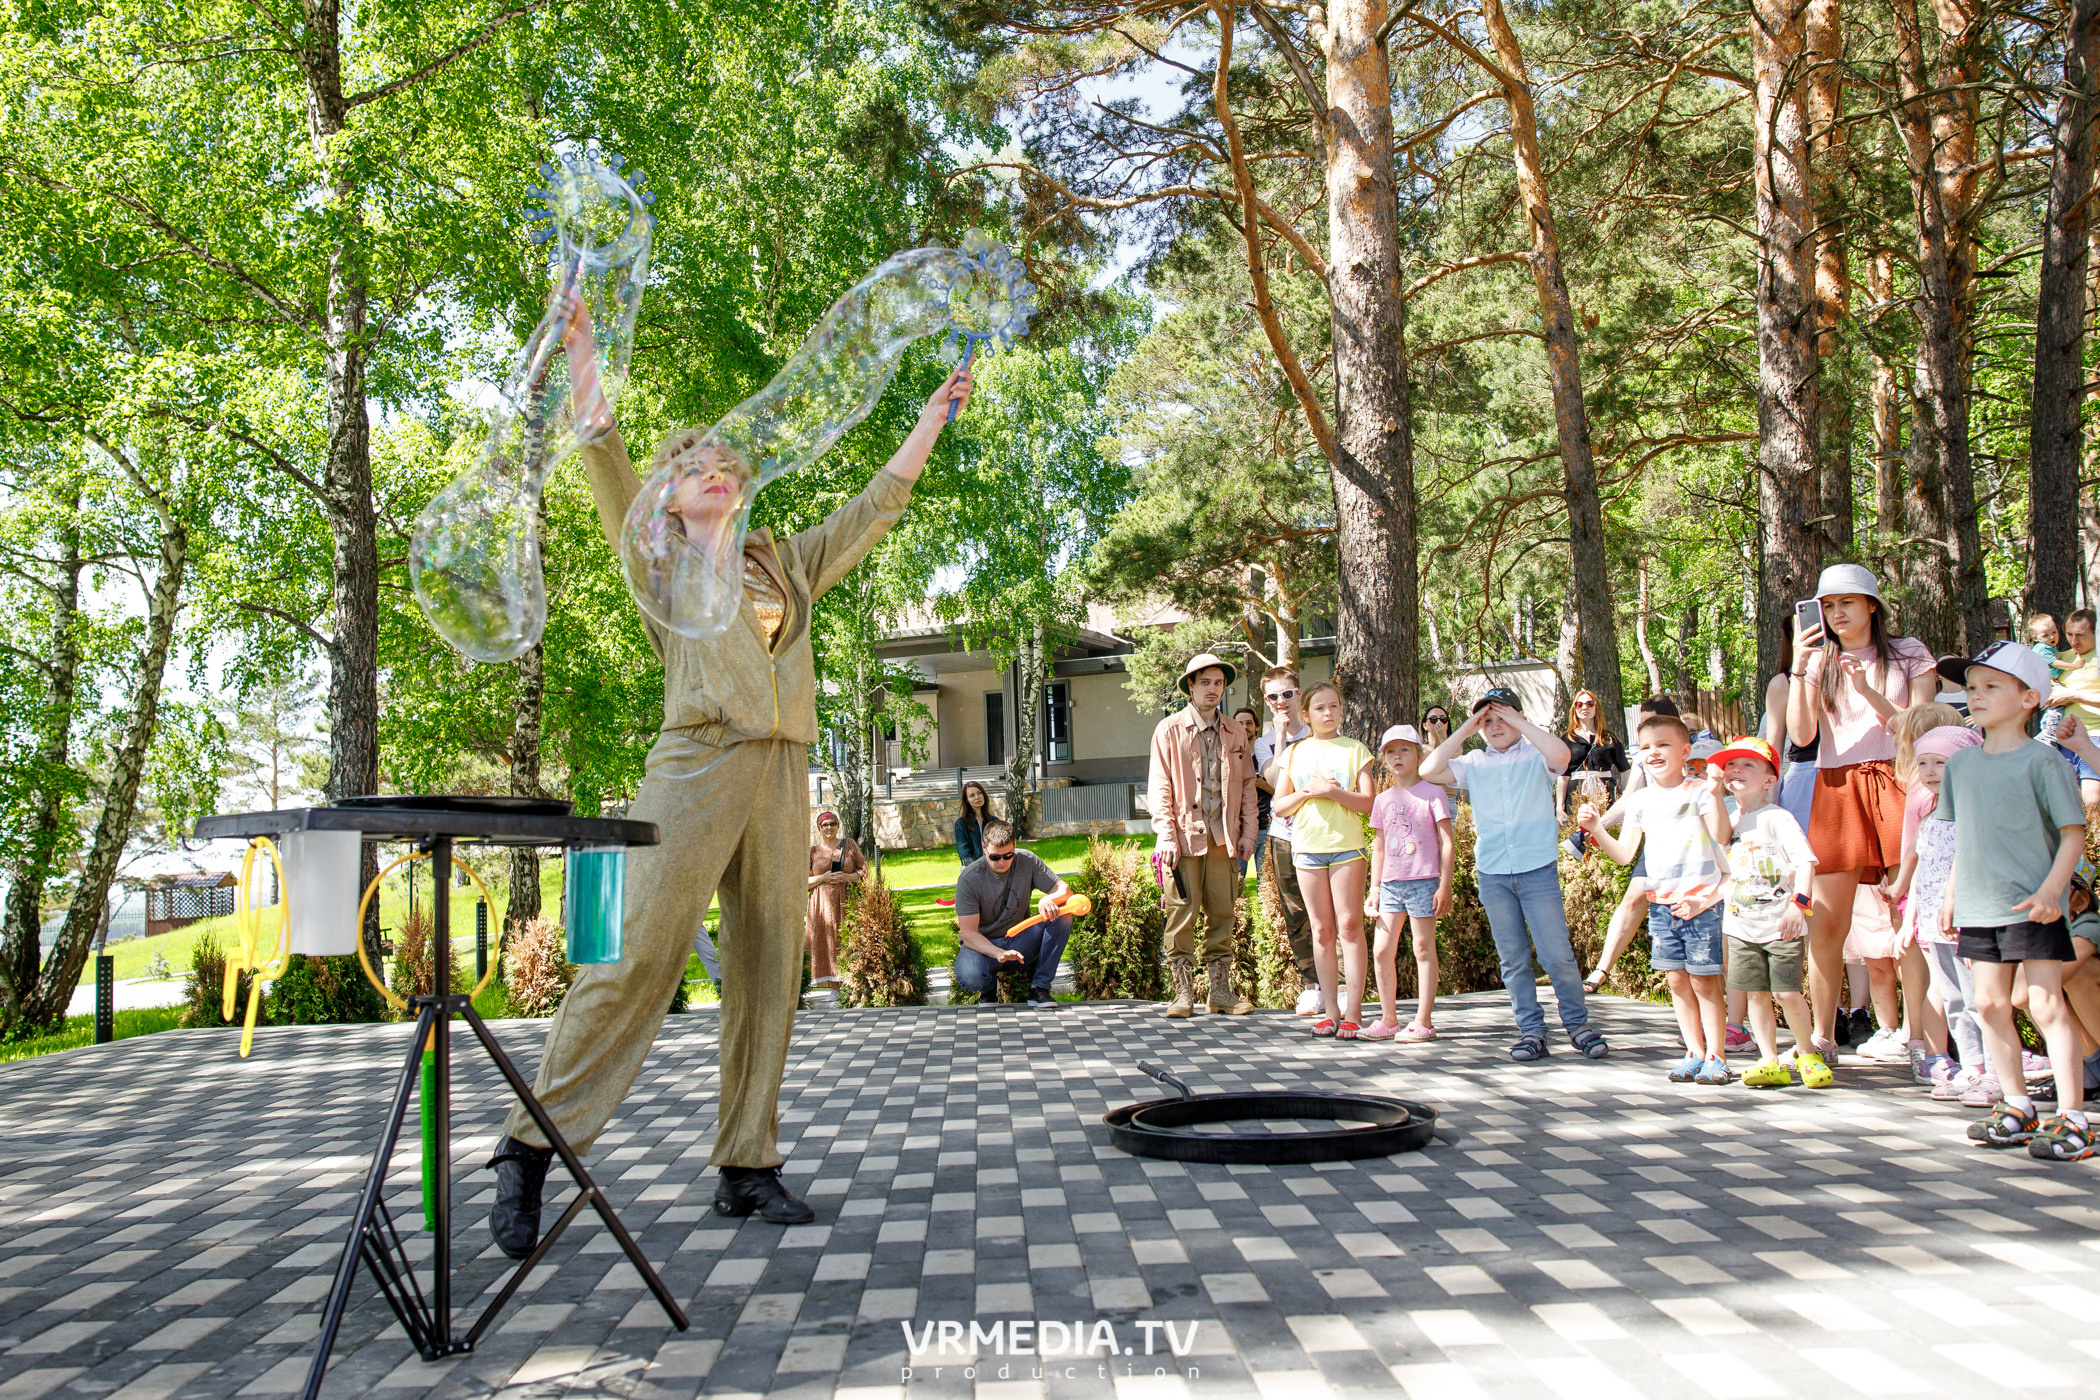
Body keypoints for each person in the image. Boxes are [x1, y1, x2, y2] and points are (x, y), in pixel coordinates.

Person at [484, 287, 975, 1253]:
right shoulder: (659, 566)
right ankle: (528, 1148)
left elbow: (877, 507)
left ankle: (748, 1166)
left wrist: (928, 418)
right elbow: (602, 450)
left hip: (784, 775)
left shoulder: (783, 563)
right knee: (633, 954)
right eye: (690, 465)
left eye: (721, 461)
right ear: (667, 497)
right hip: (697, 763)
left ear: (742, 484)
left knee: (766, 969)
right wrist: (582, 345)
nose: (709, 469)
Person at [1934, 642, 2093, 1161]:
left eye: (1991, 686)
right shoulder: (1962, 767)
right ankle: (2017, 1104)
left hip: (2032, 905)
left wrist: (2053, 890)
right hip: (1979, 906)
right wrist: (1952, 894)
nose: (1975, 696)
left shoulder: (2043, 761)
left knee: (2046, 1004)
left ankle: (2073, 1118)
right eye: (1971, 687)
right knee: (1989, 1004)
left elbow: (2073, 833)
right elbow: (1965, 836)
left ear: (2029, 698)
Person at [1785, 563, 1939, 1065]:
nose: (1836, 613)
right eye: (1827, 605)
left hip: (1898, 778)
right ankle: (1821, 1040)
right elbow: (1802, 736)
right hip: (1837, 785)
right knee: (1826, 923)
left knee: (1909, 918)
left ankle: (1921, 1040)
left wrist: (1868, 689)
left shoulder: (1910, 653)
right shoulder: (1816, 661)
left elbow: (1919, 730)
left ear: (1873, 604)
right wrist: (1800, 664)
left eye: (1846, 602)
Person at [1422, 688, 1608, 1062]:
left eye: (1501, 719)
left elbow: (1562, 757)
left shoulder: (1536, 755)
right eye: (1487, 721)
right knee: (1513, 959)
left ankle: (1578, 1026)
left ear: (1519, 718)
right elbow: (1429, 770)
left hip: (1536, 869)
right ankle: (1531, 1031)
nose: (1495, 727)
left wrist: (1517, 720)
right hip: (1493, 873)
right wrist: (1466, 728)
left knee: (1556, 956)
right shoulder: (1474, 761)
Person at [1578, 710, 1730, 1083]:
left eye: (1663, 744)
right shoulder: (1641, 800)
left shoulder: (1699, 792)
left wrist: (1717, 793)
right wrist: (1597, 828)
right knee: (1676, 979)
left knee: (1704, 980)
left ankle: (1717, 1055)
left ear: (1685, 750)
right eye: (1646, 747)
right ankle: (1693, 1051)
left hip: (1700, 901)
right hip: (1661, 904)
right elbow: (1626, 854)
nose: (1654, 752)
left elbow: (1723, 837)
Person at [1709, 736, 1825, 1089]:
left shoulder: (1778, 818)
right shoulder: (1730, 817)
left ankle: (1806, 1051)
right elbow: (1720, 837)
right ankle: (1769, 1058)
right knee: (1755, 993)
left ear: (1769, 780)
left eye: (1748, 765)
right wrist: (1714, 793)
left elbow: (1806, 864)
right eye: (1731, 764)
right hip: (1742, 927)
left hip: (1781, 924)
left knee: (1786, 992)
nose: (1736, 770)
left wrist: (1799, 906)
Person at [1149, 652, 1258, 1018]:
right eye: (1206, 682)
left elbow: (1247, 788)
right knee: (1181, 913)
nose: (1213, 689)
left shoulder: (1236, 731)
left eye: (1219, 683)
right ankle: (1182, 995)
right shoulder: (1169, 730)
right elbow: (1160, 787)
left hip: (1223, 839)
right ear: (1190, 686)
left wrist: (1249, 833)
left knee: (1222, 913)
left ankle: (1220, 993)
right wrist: (1165, 835)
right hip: (1183, 838)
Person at [1887, 723, 1989, 1104]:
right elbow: (1919, 873)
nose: (1929, 771)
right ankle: (1971, 1067)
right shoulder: (1929, 820)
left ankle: (1993, 1071)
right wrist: (1909, 922)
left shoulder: (1972, 815)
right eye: (1924, 762)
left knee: (1979, 997)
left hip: (1963, 922)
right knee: (1952, 998)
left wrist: (1951, 906)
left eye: (1941, 763)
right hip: (1932, 925)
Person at [1272, 680, 1375, 1037]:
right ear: (1306, 714)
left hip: (1347, 848)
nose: (1328, 713)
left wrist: (1332, 791)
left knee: (1349, 926)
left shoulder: (1355, 750)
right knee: (1322, 929)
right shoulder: (1295, 753)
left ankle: (1354, 1010)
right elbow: (1279, 805)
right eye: (1320, 708)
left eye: (1334, 706)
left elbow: (1368, 803)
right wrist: (1306, 791)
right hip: (1307, 849)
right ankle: (1330, 1011)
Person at [1579, 695, 1679, 991]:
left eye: (1651, 722)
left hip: (1692, 849)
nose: (1646, 731)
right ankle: (1602, 969)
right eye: (1643, 725)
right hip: (1657, 844)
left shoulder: (1691, 752)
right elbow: (1630, 798)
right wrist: (1598, 827)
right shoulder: (1644, 757)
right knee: (1635, 897)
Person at [1363, 724, 1452, 1041]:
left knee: (1423, 948)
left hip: (1424, 883)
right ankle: (1388, 1019)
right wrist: (1374, 889)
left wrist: (1445, 885)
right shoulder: (1383, 799)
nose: (1397, 757)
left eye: (1405, 749)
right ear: (1384, 758)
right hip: (1390, 886)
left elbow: (1447, 842)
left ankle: (1424, 1021)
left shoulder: (1433, 793)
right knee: (1382, 950)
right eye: (1390, 751)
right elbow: (1380, 846)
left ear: (1418, 754)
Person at [1253, 666, 1321, 1014]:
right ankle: (1312, 984)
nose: (1281, 702)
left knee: (1328, 912)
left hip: (1322, 833)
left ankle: (1338, 982)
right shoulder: (1263, 743)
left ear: (1299, 693)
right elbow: (1276, 779)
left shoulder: (1319, 733)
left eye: (1287, 694)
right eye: (1273, 697)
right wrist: (1279, 738)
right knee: (1295, 911)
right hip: (1284, 836)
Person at [952, 820, 1073, 1006]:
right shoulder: (969, 879)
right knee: (970, 976)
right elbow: (969, 935)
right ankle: (989, 989)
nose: (1002, 862)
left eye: (1008, 855)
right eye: (995, 857)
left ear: (1015, 845)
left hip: (1020, 939)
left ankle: (1039, 989)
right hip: (985, 946)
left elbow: (1064, 890)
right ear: (984, 848)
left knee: (1063, 914)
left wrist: (1049, 899)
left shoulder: (1028, 860)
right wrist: (997, 952)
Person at [2047, 608, 2100, 808]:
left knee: (2092, 799)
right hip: (2061, 736)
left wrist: (2075, 696)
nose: (2074, 641)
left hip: (2095, 735)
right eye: (2069, 634)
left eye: (2081, 635)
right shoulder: (2062, 659)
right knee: (2065, 799)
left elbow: (2072, 695)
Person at [805, 811, 864, 989]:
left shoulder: (849, 846)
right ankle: (833, 986)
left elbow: (864, 871)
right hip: (820, 905)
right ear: (819, 829)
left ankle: (851, 981)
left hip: (846, 901)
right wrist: (823, 877)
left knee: (846, 939)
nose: (829, 827)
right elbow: (802, 881)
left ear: (838, 826)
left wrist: (847, 877)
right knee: (824, 942)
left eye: (832, 823)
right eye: (825, 825)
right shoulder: (813, 852)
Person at [1557, 689, 1629, 813]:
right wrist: (1559, 807)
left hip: (1606, 795)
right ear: (1574, 709)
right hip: (1576, 798)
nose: (1585, 707)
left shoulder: (1609, 738)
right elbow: (1563, 777)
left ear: (1596, 708)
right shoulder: (1567, 739)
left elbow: (1625, 770)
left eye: (1589, 704)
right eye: (1579, 704)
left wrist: (1626, 797)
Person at [954, 780, 993, 866]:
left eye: (979, 793)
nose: (977, 797)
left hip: (993, 868)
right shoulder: (961, 823)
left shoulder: (993, 821)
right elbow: (964, 853)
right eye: (972, 795)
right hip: (971, 870)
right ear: (967, 800)